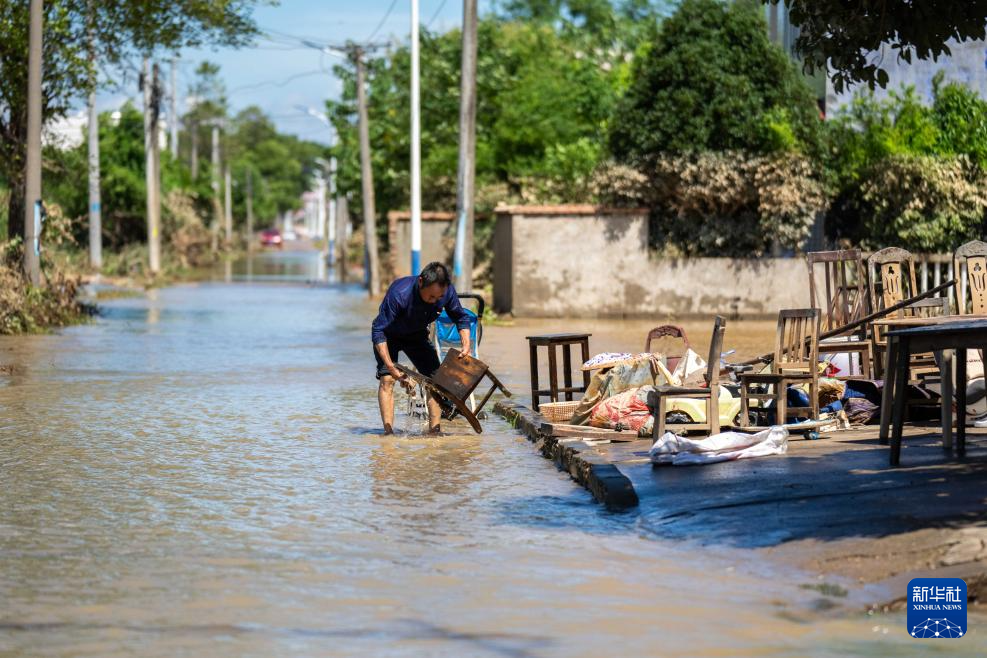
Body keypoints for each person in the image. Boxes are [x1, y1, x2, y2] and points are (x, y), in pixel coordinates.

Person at [371, 261, 472, 434]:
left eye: (439, 298)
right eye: (431, 297)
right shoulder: (399, 294)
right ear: (420, 282)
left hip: (416, 335)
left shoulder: (446, 292)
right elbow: (378, 330)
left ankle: (435, 431)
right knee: (387, 380)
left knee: (435, 382)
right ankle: (388, 434)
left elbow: (460, 318)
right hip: (389, 335)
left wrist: (466, 344)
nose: (435, 301)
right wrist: (390, 366)